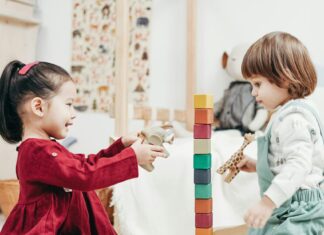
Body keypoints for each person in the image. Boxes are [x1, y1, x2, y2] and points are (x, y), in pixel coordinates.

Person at [0, 60, 166, 234]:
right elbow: (85, 175)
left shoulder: (45, 148)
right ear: (39, 107)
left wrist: (121, 147)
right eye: (68, 104)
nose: (73, 114)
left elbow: (85, 165)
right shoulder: (37, 152)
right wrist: (132, 157)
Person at [237, 32, 324, 234]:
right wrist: (258, 165)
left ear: (284, 79)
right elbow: (290, 160)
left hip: (299, 212)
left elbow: (299, 165)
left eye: (257, 84)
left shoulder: (293, 119)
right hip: (288, 205)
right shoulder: (290, 114)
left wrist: (267, 203)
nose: (253, 92)